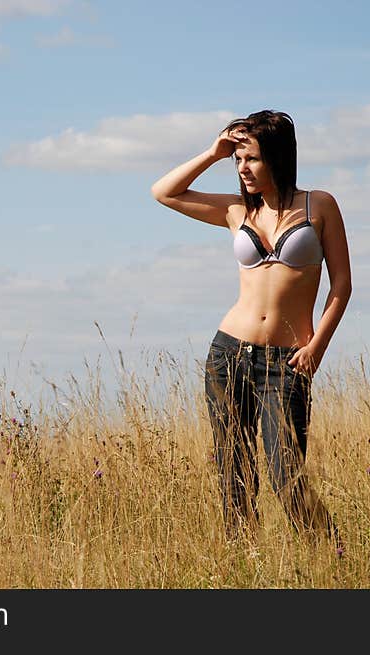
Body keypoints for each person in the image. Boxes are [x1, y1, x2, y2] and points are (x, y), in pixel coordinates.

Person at [150, 110, 351, 550]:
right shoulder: (235, 210)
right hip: (228, 356)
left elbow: (342, 286)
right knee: (234, 477)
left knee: (287, 479)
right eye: (237, 159)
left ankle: (340, 561)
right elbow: (163, 192)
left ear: (278, 157)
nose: (242, 168)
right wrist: (212, 152)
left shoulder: (319, 206)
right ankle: (246, 568)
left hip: (288, 362)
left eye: (251, 158)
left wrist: (317, 346)